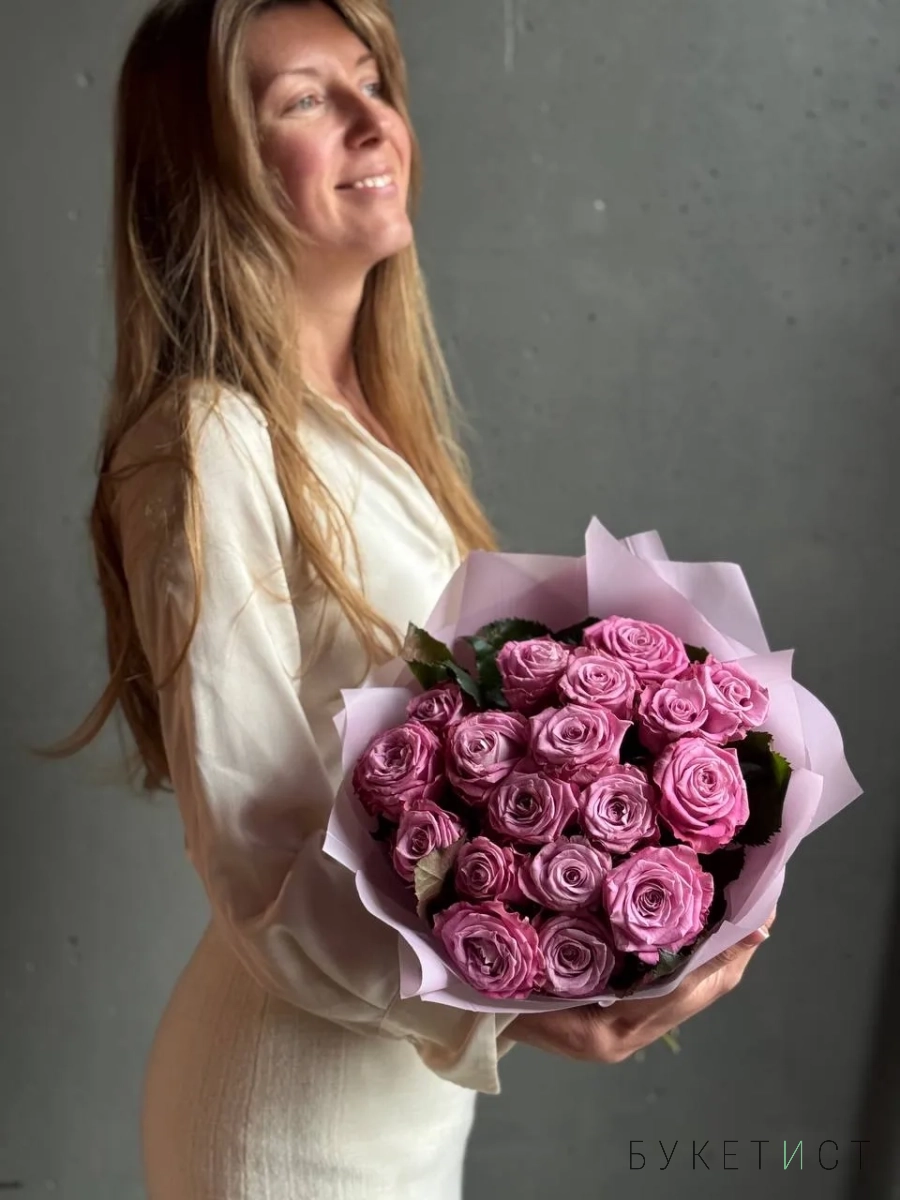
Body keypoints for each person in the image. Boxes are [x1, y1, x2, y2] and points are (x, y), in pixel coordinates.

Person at [41, 0, 776, 1196]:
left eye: (372, 81)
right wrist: (512, 1006)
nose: (373, 120)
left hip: (403, 1092)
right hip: (290, 1109)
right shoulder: (209, 440)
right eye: (303, 100)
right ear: (212, 171)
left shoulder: (370, 423)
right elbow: (259, 864)